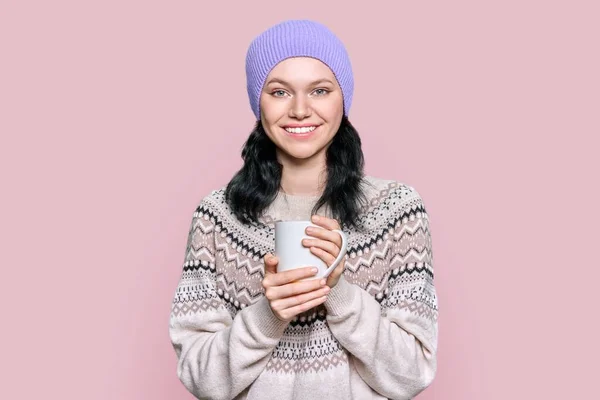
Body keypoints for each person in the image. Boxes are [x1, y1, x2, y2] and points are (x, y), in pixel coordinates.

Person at [169, 19, 438, 400]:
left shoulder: (396, 211)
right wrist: (269, 315)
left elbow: (412, 373)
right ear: (256, 100)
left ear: (342, 100)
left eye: (320, 90)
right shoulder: (218, 216)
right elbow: (200, 378)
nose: (299, 110)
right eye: (279, 91)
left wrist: (338, 293)